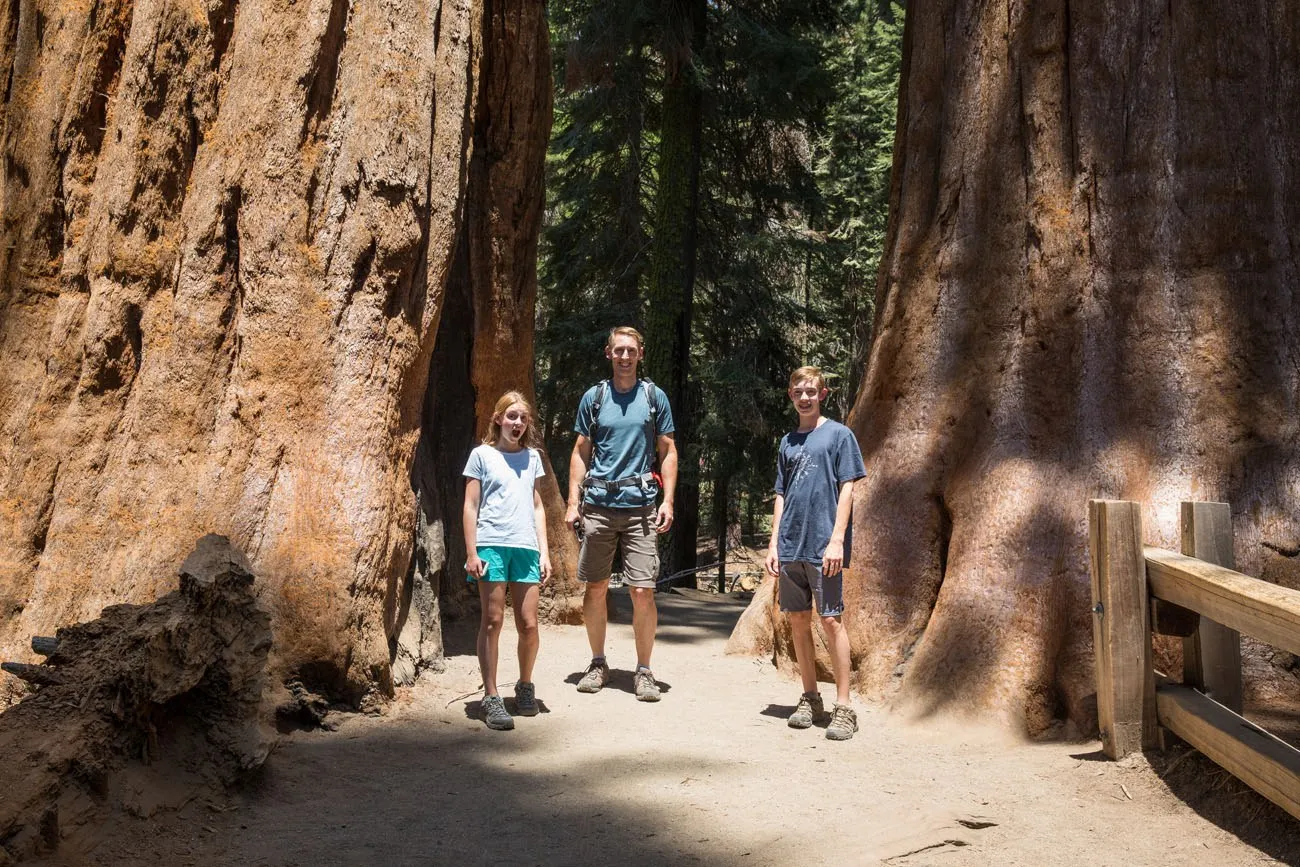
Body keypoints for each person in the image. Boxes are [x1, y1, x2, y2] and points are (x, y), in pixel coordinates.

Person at [564, 326, 678, 701]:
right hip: (598, 505)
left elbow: (668, 449)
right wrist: (572, 502)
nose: (625, 357)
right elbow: (581, 451)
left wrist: (668, 500)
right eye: (619, 351)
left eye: (631, 351)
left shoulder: (653, 396)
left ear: (641, 353)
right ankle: (598, 663)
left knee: (642, 590)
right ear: (608, 353)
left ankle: (644, 671)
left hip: (641, 507)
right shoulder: (594, 397)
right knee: (595, 588)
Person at [764, 366, 866, 741]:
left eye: (811, 392)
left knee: (832, 620)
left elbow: (849, 488)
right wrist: (774, 543)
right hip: (791, 545)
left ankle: (844, 707)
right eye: (798, 392)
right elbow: (780, 494)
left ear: (822, 394)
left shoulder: (840, 435)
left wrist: (837, 539)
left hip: (824, 546)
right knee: (797, 621)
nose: (804, 398)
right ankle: (810, 698)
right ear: (790, 396)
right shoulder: (787, 442)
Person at [462, 391, 553, 731]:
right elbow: (471, 506)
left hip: (525, 548)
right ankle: (490, 696)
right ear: (498, 419)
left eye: (523, 418)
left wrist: (544, 551)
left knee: (529, 623)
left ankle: (525, 686)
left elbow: (537, 505)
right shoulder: (482, 455)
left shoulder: (532, 458)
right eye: (511, 417)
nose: (517, 423)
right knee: (492, 620)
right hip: (491, 545)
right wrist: (472, 553)